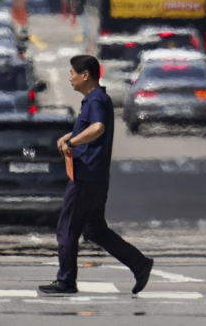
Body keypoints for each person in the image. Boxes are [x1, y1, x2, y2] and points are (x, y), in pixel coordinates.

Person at [39, 55, 154, 295]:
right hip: (96, 177)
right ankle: (139, 264)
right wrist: (71, 135)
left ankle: (66, 280)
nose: (70, 78)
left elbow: (97, 128)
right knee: (94, 230)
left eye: (72, 73)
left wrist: (72, 140)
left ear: (85, 75)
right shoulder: (96, 100)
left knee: (67, 227)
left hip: (86, 177)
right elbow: (90, 128)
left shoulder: (95, 100)